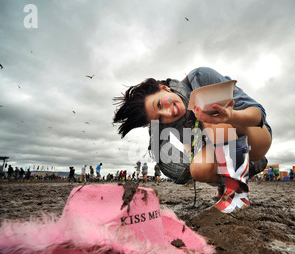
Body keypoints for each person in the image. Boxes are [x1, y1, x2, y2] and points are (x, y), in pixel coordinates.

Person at [113, 67, 272, 213]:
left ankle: (239, 194)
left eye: (160, 104)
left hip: (254, 135)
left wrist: (232, 116)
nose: (168, 113)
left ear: (163, 88)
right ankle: (227, 185)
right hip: (221, 147)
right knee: (198, 168)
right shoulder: (167, 124)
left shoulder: (200, 78)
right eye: (160, 118)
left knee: (208, 110)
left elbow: (259, 114)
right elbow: (173, 157)